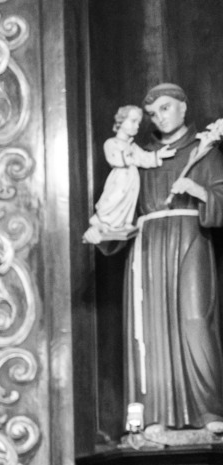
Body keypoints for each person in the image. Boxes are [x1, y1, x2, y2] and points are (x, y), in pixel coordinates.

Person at [94, 83, 223, 434]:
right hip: (148, 245)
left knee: (196, 318)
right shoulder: (142, 156)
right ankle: (154, 414)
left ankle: (209, 409)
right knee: (150, 327)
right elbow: (122, 197)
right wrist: (107, 227)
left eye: (165, 108)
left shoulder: (205, 151)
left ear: (184, 107)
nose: (159, 117)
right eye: (152, 113)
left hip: (191, 238)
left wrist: (198, 190)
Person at [83, 105, 174, 240]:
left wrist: (158, 155)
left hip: (131, 181)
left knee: (128, 202)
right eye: (133, 121)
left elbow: (143, 158)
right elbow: (116, 159)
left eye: (138, 123)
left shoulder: (132, 146)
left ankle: (122, 223)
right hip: (119, 180)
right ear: (121, 121)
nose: (136, 126)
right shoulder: (111, 142)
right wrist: (130, 155)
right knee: (113, 199)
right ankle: (102, 221)